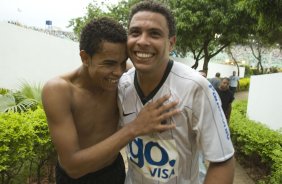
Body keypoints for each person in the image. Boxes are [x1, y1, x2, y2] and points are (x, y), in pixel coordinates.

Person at [42, 17, 179, 184]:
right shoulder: (59, 91)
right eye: (109, 64)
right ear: (85, 58)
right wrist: (134, 128)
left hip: (114, 170)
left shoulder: (126, 75)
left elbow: (161, 75)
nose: (119, 72)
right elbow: (73, 167)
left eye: (123, 63)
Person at [118, 1, 235, 184]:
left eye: (154, 34)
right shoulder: (123, 84)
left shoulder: (196, 87)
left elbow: (223, 160)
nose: (142, 41)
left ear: (171, 43)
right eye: (135, 32)